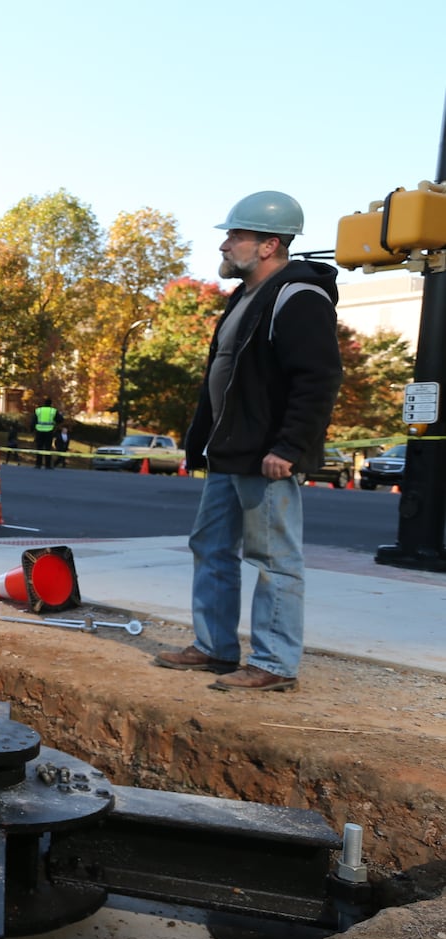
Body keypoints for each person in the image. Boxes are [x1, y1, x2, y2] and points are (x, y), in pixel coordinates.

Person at [153, 191, 342, 693]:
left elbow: (318, 380)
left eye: (236, 234)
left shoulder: (297, 296)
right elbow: (228, 376)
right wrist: (202, 442)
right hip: (230, 452)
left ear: (268, 245)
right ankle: (215, 646)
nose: (225, 243)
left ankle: (275, 663)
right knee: (211, 546)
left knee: (275, 558)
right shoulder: (246, 296)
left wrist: (289, 447)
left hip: (266, 458)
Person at [33, 397, 60, 469]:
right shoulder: (53, 411)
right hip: (49, 431)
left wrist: (33, 429)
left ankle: (38, 464)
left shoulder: (38, 410)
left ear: (44, 403)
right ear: (51, 404)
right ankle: (47, 465)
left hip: (39, 431)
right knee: (48, 448)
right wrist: (54, 422)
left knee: (39, 448)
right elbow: (60, 419)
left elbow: (33, 421)